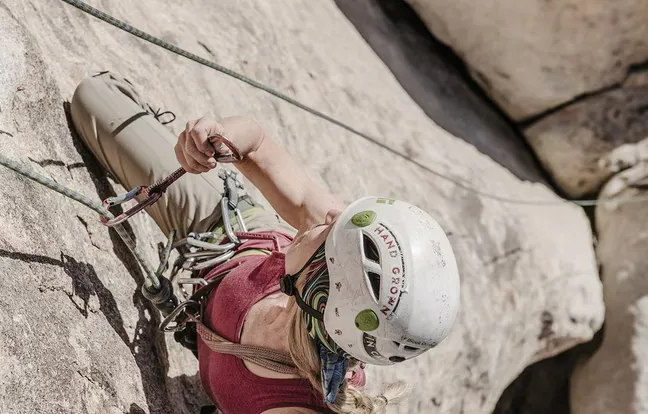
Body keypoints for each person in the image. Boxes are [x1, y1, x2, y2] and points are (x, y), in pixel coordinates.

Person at [69, 71, 461, 414]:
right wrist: (219, 136)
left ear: (321, 294)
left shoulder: (292, 404)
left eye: (331, 238)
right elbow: (255, 144)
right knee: (94, 98)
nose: (329, 218)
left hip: (219, 258)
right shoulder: (335, 301)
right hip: (230, 233)